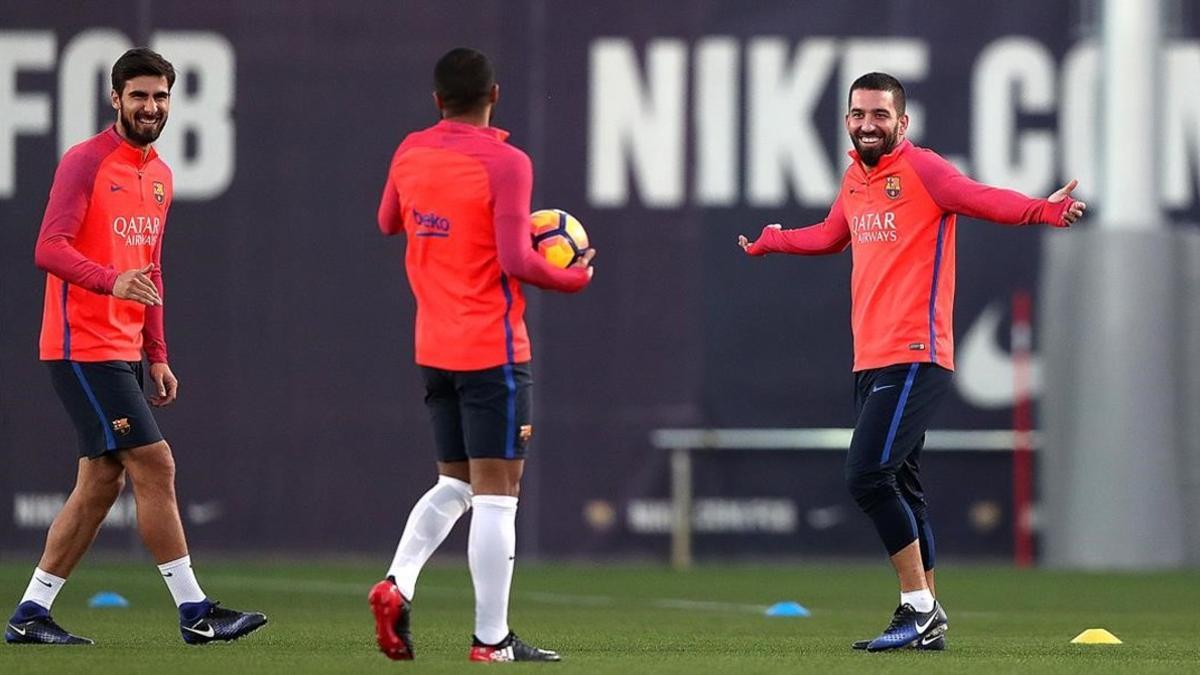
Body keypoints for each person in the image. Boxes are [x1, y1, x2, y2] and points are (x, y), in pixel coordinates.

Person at [738, 72, 1085, 652]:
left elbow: (981, 198)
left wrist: (1042, 212)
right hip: (871, 357)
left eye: (880, 114)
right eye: (858, 114)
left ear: (903, 122)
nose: (868, 124)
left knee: (867, 475)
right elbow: (829, 236)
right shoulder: (855, 178)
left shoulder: (924, 170)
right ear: (848, 120)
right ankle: (927, 622)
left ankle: (918, 609)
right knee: (902, 484)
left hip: (916, 352)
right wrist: (773, 240)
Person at [5, 48, 266, 647]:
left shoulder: (161, 175)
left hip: (121, 346)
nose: (151, 107)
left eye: (161, 96)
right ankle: (196, 612)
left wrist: (157, 352)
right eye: (140, 95)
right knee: (156, 463)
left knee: (101, 482)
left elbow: (151, 271)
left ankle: (29, 615)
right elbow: (49, 247)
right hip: (81, 345)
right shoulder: (85, 162)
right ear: (114, 97)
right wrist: (107, 280)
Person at [369, 47, 594, 663]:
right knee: (498, 493)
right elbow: (520, 260)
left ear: (437, 100)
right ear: (494, 94)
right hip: (491, 347)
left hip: (433, 345)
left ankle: (398, 582)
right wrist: (575, 278)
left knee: (456, 482)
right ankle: (491, 641)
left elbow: (389, 220)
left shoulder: (410, 150)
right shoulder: (507, 162)